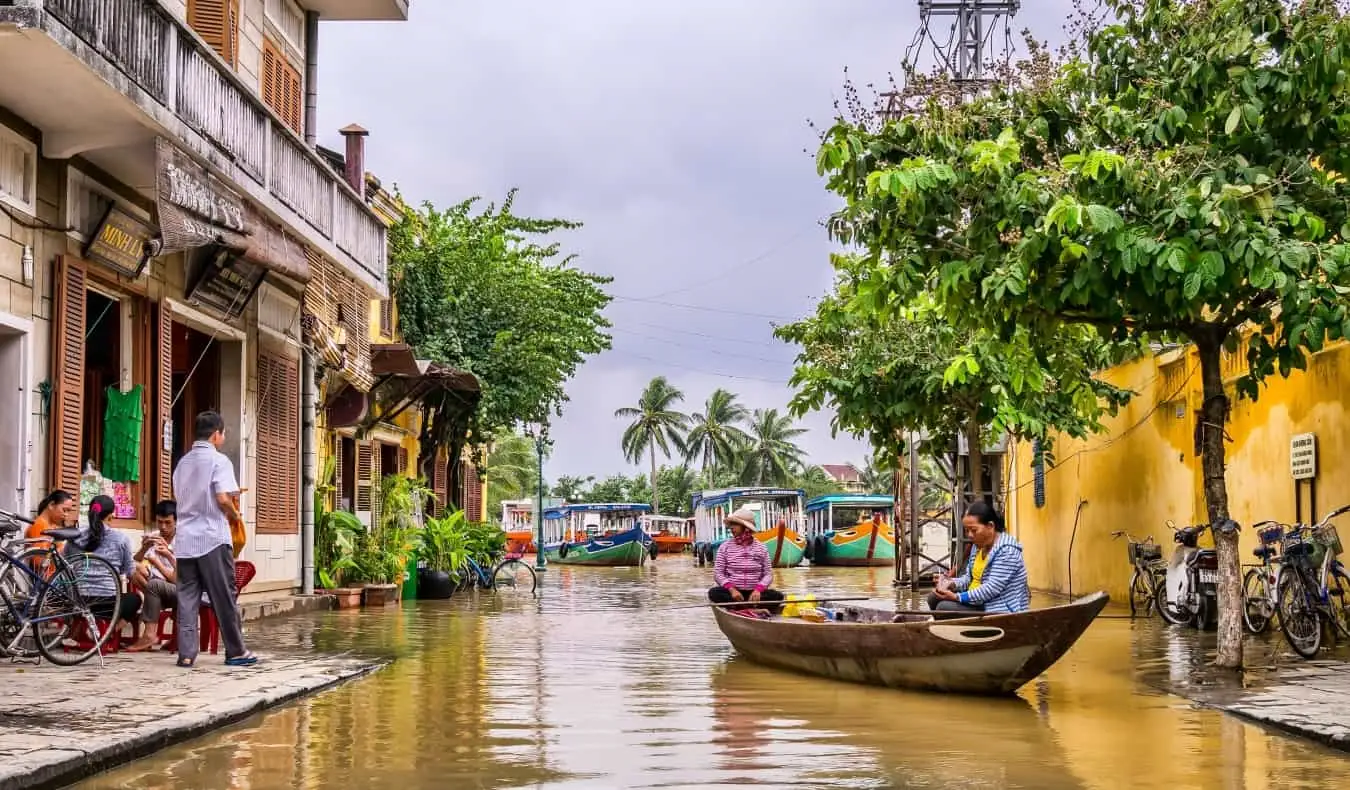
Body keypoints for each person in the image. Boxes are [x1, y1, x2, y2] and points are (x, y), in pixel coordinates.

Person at [172, 411, 256, 668]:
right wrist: (235, 514)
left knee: (187, 598)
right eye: (223, 433)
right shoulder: (219, 461)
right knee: (223, 596)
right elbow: (222, 498)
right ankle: (236, 651)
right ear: (216, 434)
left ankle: (186, 654)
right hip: (212, 537)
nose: (224, 437)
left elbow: (179, 498)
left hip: (185, 539)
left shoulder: (182, 463)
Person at [927, 501, 1030, 614]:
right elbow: (968, 579)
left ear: (990, 526)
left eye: (974, 530)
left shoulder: (1007, 551)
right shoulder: (977, 547)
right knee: (933, 597)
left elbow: (991, 589)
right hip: (978, 602)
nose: (970, 535)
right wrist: (950, 583)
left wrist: (957, 597)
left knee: (944, 607)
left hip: (996, 607)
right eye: (967, 531)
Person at [65, 494, 142, 627]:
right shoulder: (121, 539)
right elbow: (128, 571)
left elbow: (66, 565)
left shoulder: (75, 537)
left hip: (78, 602)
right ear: (111, 516)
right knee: (137, 598)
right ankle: (109, 633)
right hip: (108, 605)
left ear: (89, 513)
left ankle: (85, 631)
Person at [126, 500, 178, 653]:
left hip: (180, 589)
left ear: (176, 521)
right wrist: (144, 548)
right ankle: (151, 603)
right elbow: (135, 560)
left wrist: (166, 554)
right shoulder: (155, 536)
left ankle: (149, 634)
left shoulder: (184, 540)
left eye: (168, 522)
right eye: (160, 522)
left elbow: (176, 579)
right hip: (158, 587)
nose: (163, 527)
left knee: (154, 584)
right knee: (133, 570)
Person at [708, 508, 785, 608]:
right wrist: (732, 590)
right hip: (733, 593)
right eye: (731, 525)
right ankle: (748, 607)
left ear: (746, 527)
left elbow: (768, 574)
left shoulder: (761, 548)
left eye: (735, 524)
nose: (731, 528)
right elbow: (718, 573)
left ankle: (742, 607)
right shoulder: (724, 547)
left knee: (777, 596)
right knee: (714, 593)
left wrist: (758, 589)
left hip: (754, 593)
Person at [27, 489, 76, 554]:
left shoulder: (53, 525)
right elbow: (39, 561)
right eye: (64, 510)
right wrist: (66, 547)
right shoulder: (38, 525)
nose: (66, 515)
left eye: (68, 511)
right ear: (51, 505)